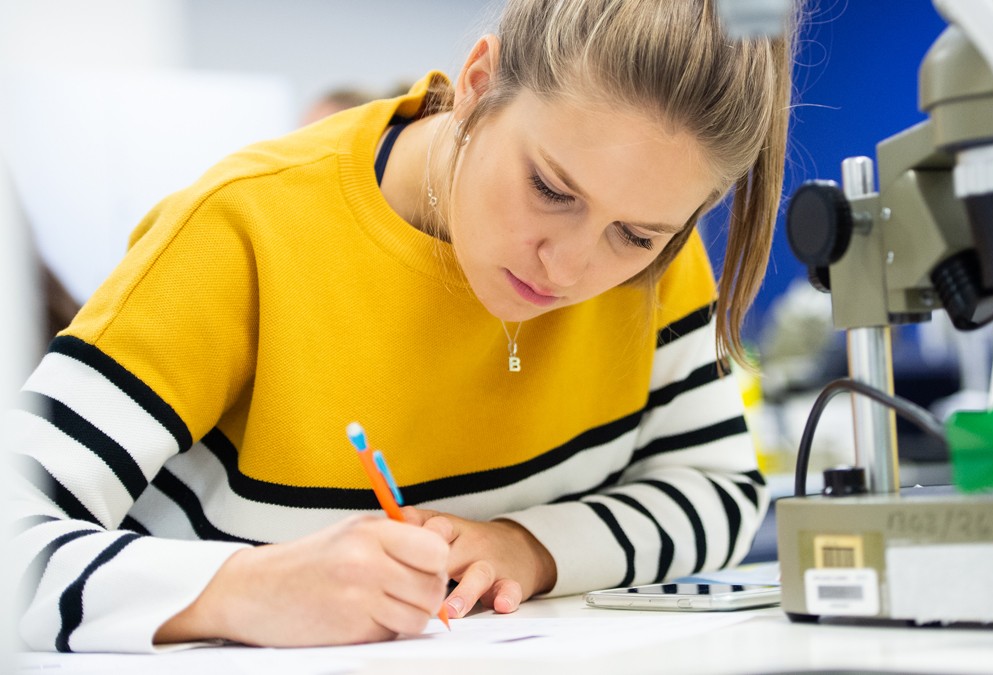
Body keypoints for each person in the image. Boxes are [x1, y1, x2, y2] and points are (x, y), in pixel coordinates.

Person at [9, 0, 798, 653]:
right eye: (551, 189)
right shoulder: (239, 232)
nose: (567, 268)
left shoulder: (660, 257)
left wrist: (531, 546)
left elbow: (721, 493)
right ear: (480, 85)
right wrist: (245, 590)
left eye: (635, 236)